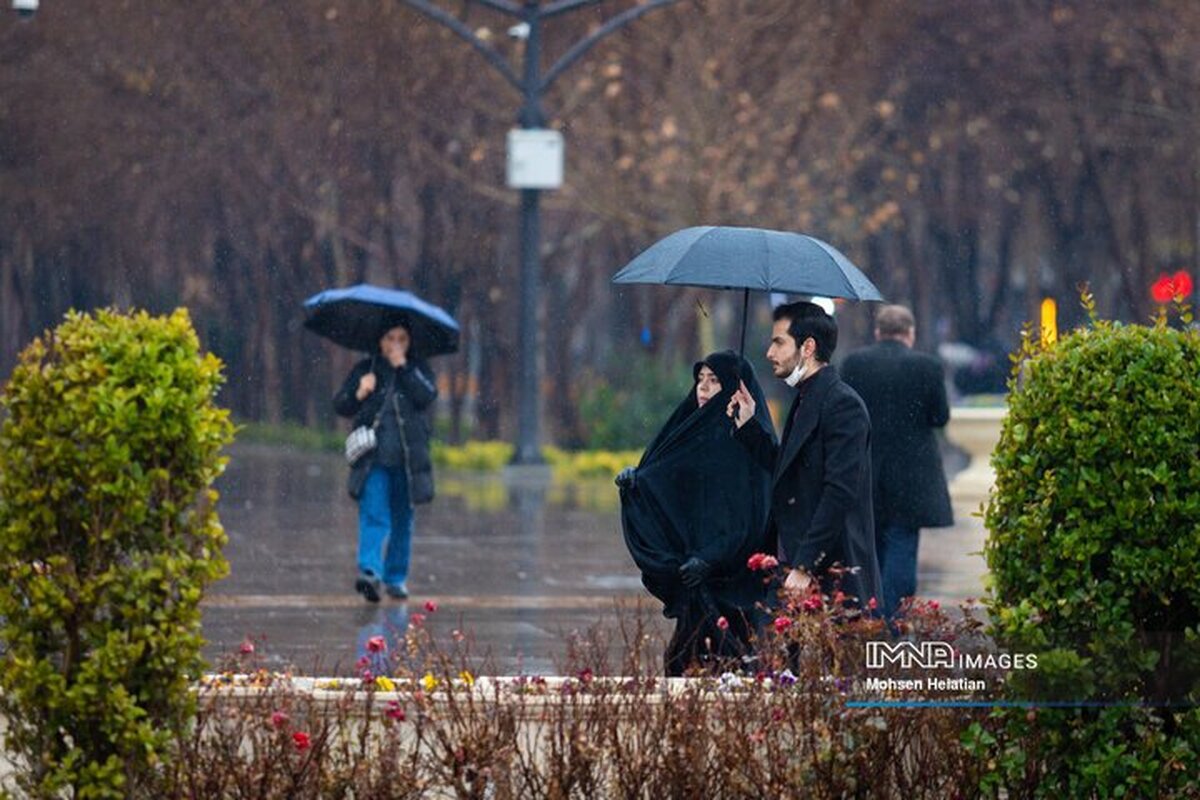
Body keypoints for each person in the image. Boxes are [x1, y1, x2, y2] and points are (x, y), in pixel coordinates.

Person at [617, 350, 775, 676]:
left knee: (736, 662)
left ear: (735, 387)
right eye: (700, 379)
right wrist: (636, 483)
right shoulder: (689, 429)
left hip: (735, 578)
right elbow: (665, 478)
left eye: (714, 380)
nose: (703, 388)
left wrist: (713, 556)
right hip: (695, 575)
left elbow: (752, 515)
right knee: (687, 664)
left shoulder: (749, 440)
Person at [727, 301, 882, 610]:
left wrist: (804, 565)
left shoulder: (841, 405)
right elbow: (790, 472)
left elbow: (839, 492)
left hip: (829, 572)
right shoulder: (805, 398)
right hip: (793, 566)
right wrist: (748, 426)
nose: (770, 353)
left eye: (779, 342)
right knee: (774, 657)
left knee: (831, 657)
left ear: (808, 347)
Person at [841, 304, 953, 619]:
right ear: (910, 333)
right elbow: (940, 417)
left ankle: (870, 614)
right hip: (912, 476)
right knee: (902, 547)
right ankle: (891, 620)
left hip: (866, 471)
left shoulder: (854, 364)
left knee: (870, 549)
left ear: (878, 332)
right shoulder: (927, 367)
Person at [335, 323, 437, 602]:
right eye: (390, 338)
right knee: (374, 514)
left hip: (408, 461)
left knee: (403, 520)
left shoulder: (417, 369)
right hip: (374, 459)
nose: (395, 344)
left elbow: (427, 396)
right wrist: (359, 392)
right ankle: (369, 572)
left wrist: (404, 367)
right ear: (380, 341)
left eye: (401, 338)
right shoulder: (366, 369)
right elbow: (341, 405)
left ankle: (396, 578)